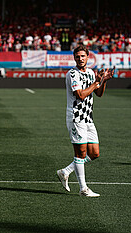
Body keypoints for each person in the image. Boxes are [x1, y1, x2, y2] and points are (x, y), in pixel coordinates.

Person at [57, 45, 114, 197]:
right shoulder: (72, 74)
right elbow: (80, 95)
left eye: (83, 56)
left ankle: (66, 171)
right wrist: (96, 83)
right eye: (77, 57)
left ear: (88, 57)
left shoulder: (90, 72)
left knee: (94, 153)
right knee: (80, 153)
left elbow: (99, 94)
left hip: (88, 118)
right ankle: (83, 189)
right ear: (74, 58)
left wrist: (103, 81)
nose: (80, 59)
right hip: (76, 118)